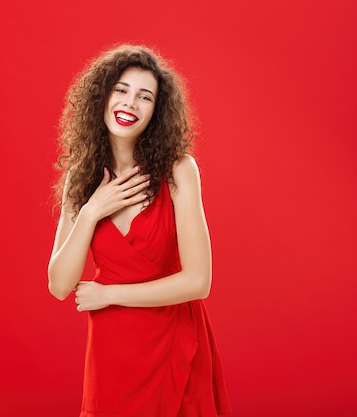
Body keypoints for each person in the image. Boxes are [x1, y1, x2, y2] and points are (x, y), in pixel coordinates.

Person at [48, 44, 231, 417]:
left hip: (174, 340)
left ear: (156, 112)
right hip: (112, 349)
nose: (131, 103)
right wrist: (90, 212)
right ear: (101, 96)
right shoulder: (79, 180)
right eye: (121, 90)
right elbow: (60, 285)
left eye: (144, 97)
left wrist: (109, 294)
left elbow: (199, 281)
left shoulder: (179, 171)